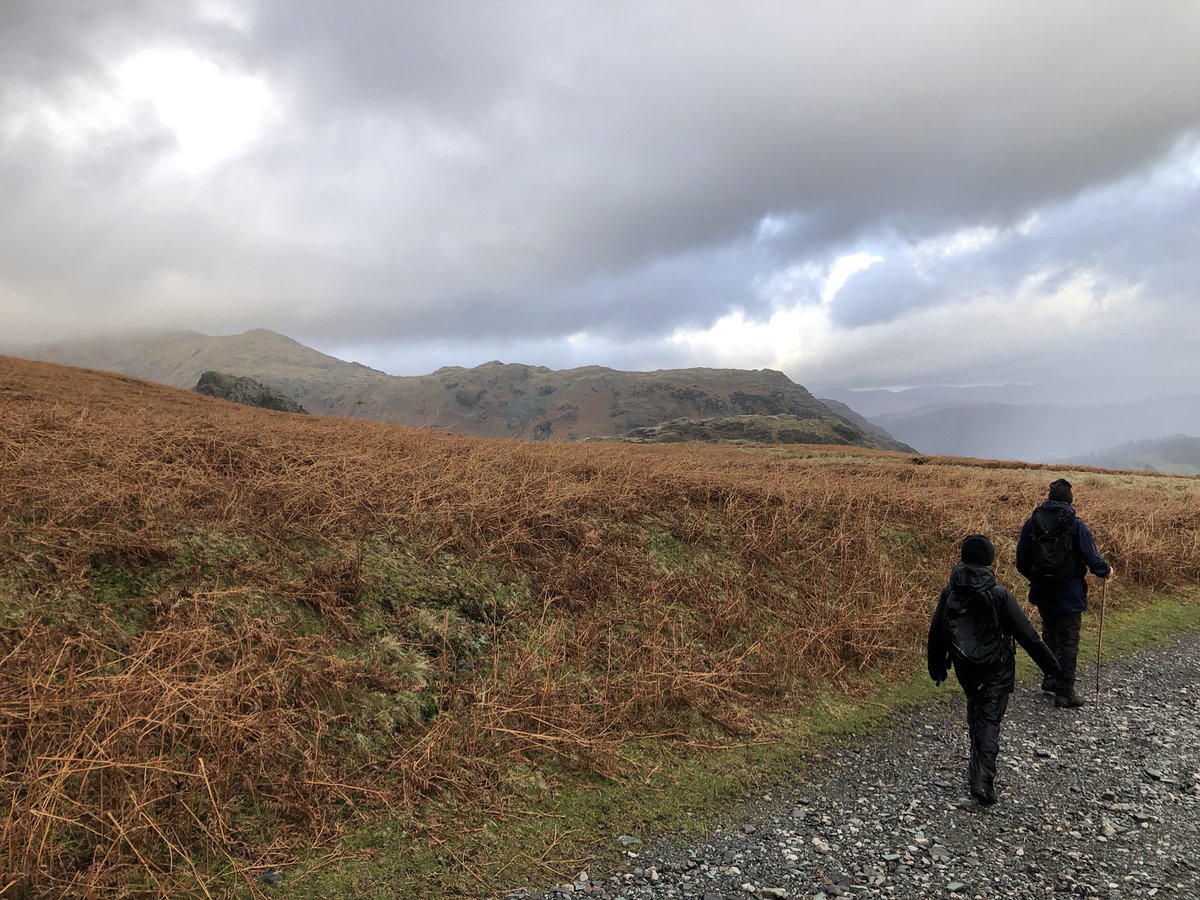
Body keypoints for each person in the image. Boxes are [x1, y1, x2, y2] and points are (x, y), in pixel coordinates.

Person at [928, 534, 1060, 805]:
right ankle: (982, 782)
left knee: (977, 715)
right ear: (990, 560)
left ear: (963, 559)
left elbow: (937, 633)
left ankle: (978, 771)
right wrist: (1051, 666)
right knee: (989, 721)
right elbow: (1028, 634)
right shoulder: (999, 594)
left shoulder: (949, 592)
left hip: (966, 667)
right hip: (996, 668)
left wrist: (937, 667)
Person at [1016, 478, 1114, 708]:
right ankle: (1066, 692)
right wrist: (1106, 570)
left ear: (1049, 497)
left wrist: (1036, 578)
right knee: (1068, 640)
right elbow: (1091, 557)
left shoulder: (1033, 522)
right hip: (1069, 592)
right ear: (1070, 499)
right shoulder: (1076, 524)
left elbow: (1021, 559)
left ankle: (1050, 679)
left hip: (1042, 591)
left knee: (1049, 633)